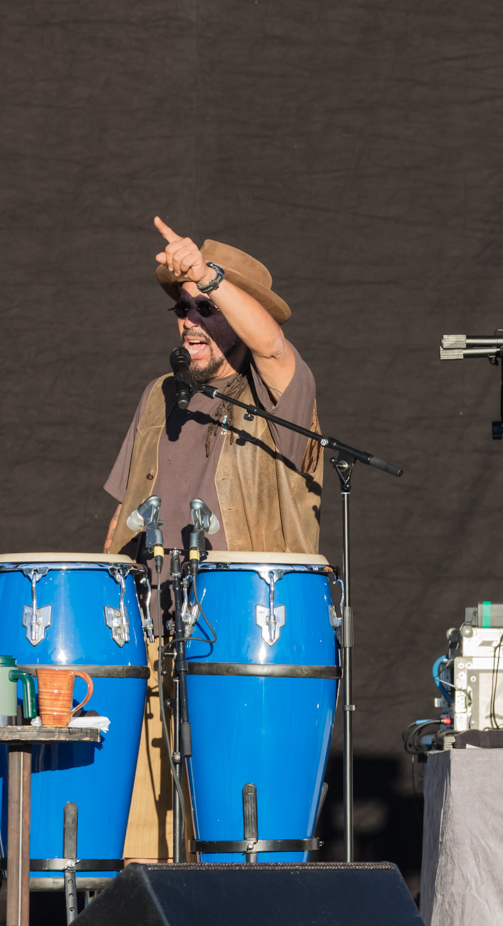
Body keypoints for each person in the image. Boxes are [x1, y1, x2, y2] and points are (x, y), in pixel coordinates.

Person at [102, 218, 322, 860]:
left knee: (234, 850)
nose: (190, 321)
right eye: (183, 309)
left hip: (243, 648)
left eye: (207, 308)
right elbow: (122, 520)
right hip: (151, 642)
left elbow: (273, 346)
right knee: (141, 854)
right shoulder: (159, 397)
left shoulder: (278, 397)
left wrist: (205, 274)